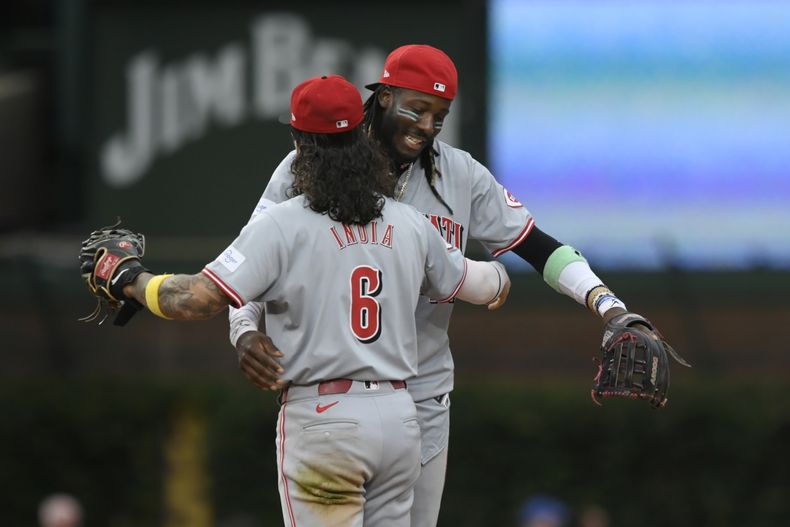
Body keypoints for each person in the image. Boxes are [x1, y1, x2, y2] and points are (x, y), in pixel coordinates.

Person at [230, 44, 669, 527]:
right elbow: (249, 262)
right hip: (330, 390)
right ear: (383, 95)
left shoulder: (460, 174)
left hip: (418, 392)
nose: (427, 126)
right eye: (416, 108)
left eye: (439, 115)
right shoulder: (311, 165)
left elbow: (537, 246)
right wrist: (245, 330)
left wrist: (608, 304)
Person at [96, 74, 510, 527]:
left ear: (300, 144)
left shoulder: (282, 224)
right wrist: (500, 277)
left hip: (325, 419)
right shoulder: (409, 223)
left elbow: (193, 299)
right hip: (398, 420)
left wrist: (129, 279)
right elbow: (482, 284)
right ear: (361, 136)